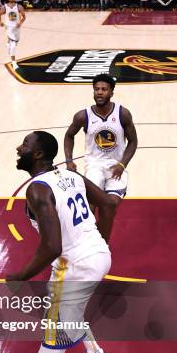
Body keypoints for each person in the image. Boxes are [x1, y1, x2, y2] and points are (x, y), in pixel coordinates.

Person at [5, 131, 117, 353]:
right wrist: (99, 242)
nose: (19, 149)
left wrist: (18, 276)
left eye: (24, 145)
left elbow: (52, 245)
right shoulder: (70, 174)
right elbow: (109, 204)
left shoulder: (37, 189)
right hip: (96, 256)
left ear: (38, 155)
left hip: (74, 265)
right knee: (67, 312)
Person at [64, 74, 137, 241]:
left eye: (104, 89)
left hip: (116, 166)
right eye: (96, 89)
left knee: (109, 207)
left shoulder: (122, 114)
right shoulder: (83, 116)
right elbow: (69, 135)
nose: (99, 92)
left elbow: (133, 141)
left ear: (111, 92)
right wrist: (69, 160)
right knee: (88, 207)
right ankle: (86, 241)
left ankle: (101, 244)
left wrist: (123, 164)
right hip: (94, 165)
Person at [0, 0, 26, 69]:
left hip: (17, 27)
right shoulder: (4, 7)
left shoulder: (19, 7)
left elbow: (24, 17)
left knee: (15, 42)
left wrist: (20, 23)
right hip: (9, 27)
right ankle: (13, 62)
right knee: (13, 46)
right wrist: (0, 22)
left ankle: (8, 43)